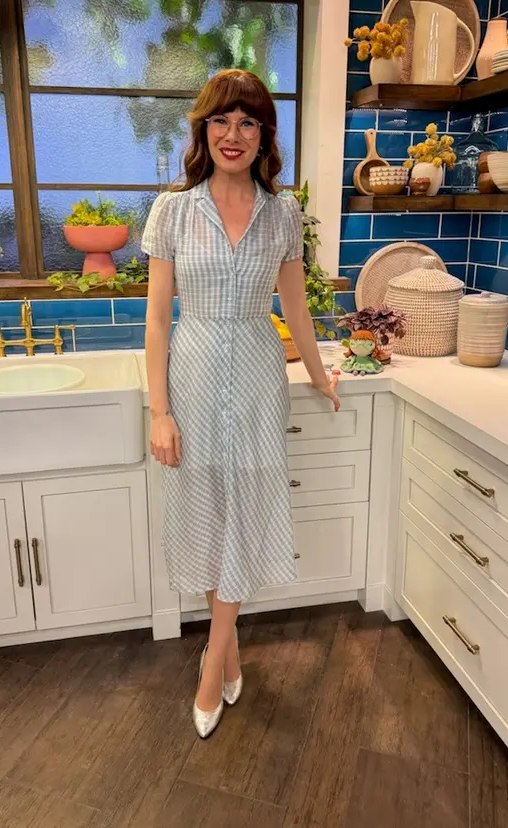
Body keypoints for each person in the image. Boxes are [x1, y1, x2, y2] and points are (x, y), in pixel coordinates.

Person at [142, 68, 340, 739]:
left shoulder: (283, 214)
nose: (233, 134)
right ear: (203, 129)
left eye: (248, 121)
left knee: (245, 513)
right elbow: (157, 321)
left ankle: (213, 661)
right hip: (193, 371)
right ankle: (224, 652)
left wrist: (319, 375)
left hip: (258, 374)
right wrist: (159, 411)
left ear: (264, 135)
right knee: (206, 513)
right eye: (221, 120)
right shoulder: (173, 210)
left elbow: (296, 309)